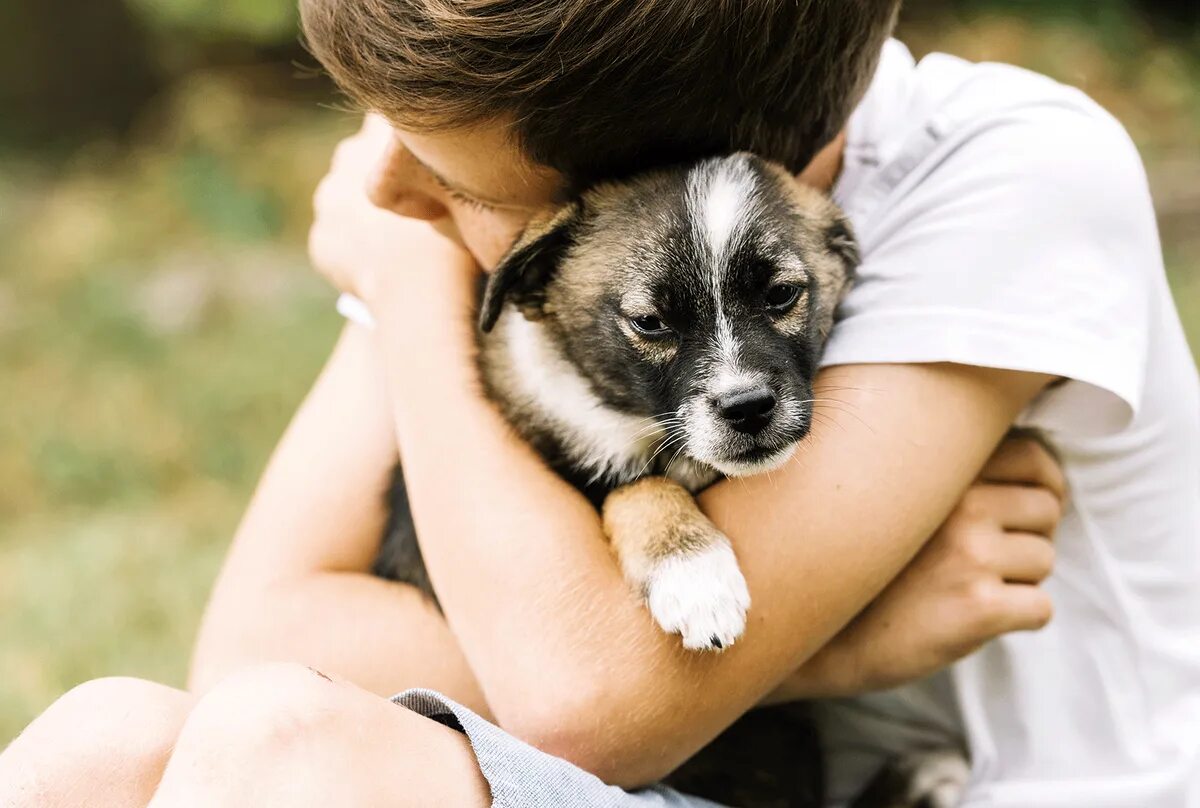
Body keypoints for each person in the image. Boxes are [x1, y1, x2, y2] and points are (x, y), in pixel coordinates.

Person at [2, 1, 1197, 806]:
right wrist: (825, 652)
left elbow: (587, 701)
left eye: (441, 175)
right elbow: (258, 640)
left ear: (637, 188)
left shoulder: (1007, 173)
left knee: (295, 754)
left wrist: (406, 276)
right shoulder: (541, 238)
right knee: (93, 748)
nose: (381, 188)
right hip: (716, 770)